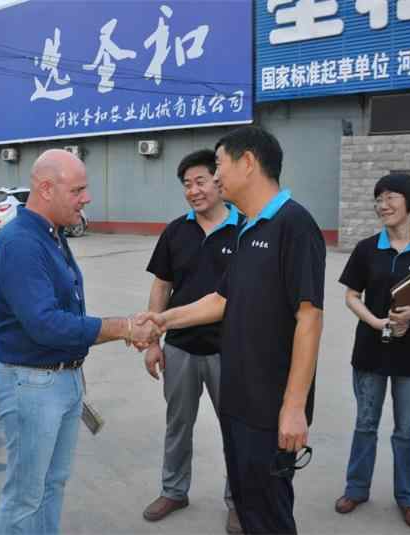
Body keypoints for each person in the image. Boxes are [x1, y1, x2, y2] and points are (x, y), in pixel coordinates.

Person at [141, 126, 326, 534]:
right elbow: (221, 300)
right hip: (239, 395)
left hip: (270, 405)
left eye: (220, 165)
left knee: (270, 511)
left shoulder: (294, 225)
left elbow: (310, 317)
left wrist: (294, 406)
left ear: (248, 162)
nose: (217, 175)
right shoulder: (249, 227)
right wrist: (162, 320)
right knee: (247, 501)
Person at [0, 149, 160, 535]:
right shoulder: (21, 244)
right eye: (78, 190)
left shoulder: (50, 235)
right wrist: (123, 328)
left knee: (52, 484)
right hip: (33, 385)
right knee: (25, 495)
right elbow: (45, 325)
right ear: (46, 189)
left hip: (61, 379)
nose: (87, 198)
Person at [335, 173, 410, 529]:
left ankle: (408, 498)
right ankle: (356, 489)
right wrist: (375, 322)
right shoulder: (366, 249)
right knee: (365, 424)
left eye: (390, 197)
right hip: (370, 351)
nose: (383, 205)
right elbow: (351, 296)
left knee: (406, 429)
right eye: (379, 199)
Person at [141, 148, 243, 533]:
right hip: (180, 347)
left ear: (219, 181)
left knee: (235, 429)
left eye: (200, 181)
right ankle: (174, 490)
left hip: (228, 349)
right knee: (178, 424)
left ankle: (239, 500)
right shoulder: (176, 231)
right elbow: (161, 285)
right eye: (187, 184)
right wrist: (154, 342)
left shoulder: (245, 229)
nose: (193, 191)